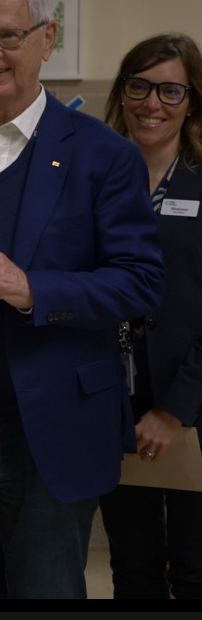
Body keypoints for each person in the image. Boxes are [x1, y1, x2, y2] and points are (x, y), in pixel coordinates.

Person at [0, 0, 164, 598]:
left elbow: (139, 282)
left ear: (47, 39)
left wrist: (33, 290)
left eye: (8, 35)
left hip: (58, 424)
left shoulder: (105, 155)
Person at [98, 32, 202, 600]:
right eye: (139, 87)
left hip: (193, 404)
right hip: (115, 404)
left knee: (194, 571)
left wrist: (176, 408)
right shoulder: (97, 178)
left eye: (170, 90)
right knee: (133, 571)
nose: (152, 103)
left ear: (192, 100)